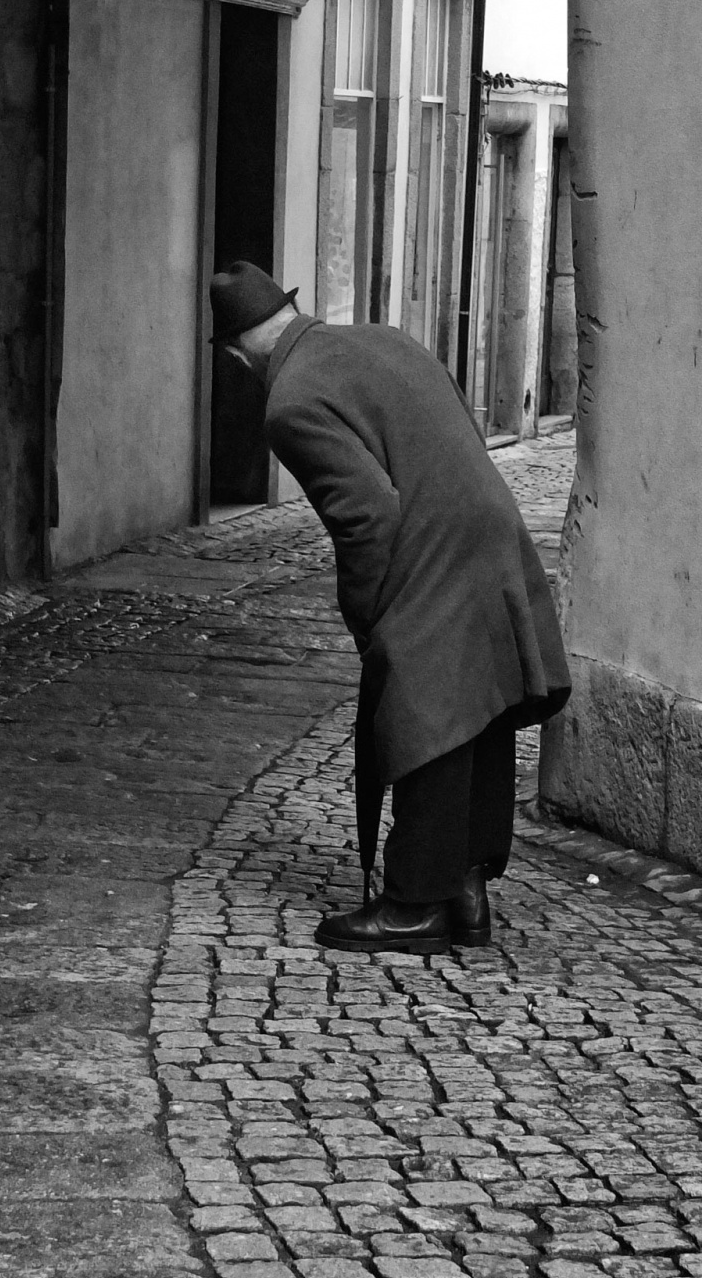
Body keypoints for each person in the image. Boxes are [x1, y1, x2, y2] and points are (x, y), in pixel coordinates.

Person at [210, 259, 571, 956]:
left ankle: (414, 907)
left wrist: (369, 616)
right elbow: (455, 427)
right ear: (288, 310)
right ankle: (465, 892)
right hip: (490, 529)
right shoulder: (384, 338)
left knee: (423, 715)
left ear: (235, 355)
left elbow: (368, 517)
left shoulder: (290, 402)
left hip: (427, 545)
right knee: (480, 704)